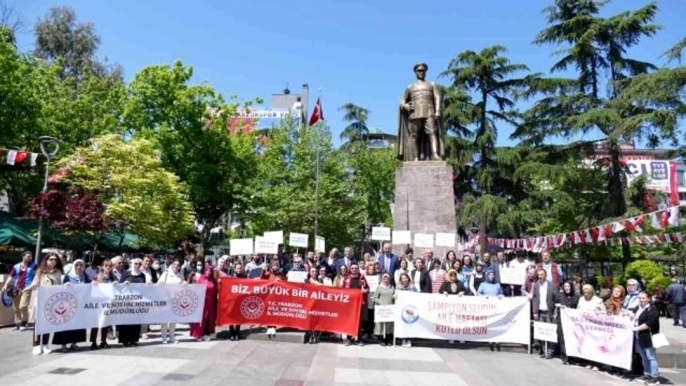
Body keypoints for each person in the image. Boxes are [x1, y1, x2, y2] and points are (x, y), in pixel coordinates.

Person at [397, 62, 443, 161]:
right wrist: (405, 106)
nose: (421, 72)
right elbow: (402, 101)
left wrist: (438, 110)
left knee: (432, 133)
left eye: (423, 71)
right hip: (414, 113)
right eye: (419, 71)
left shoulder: (431, 84)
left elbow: (437, 97)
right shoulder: (410, 87)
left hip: (429, 112)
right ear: (415, 72)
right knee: (414, 136)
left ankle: (435, 154)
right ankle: (416, 157)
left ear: (426, 72)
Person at [23, 253, 63, 355]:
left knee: (48, 323)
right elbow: (34, 284)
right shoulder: (40, 272)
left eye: (55, 260)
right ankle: (36, 345)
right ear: (46, 260)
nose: (53, 261)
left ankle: (45, 345)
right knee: (38, 324)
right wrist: (27, 288)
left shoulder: (58, 272)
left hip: (52, 302)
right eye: (51, 259)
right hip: (41, 300)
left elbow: (59, 286)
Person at [53, 259, 89, 352]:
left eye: (81, 265)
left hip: (80, 305)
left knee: (78, 325)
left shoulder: (85, 276)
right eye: (77, 265)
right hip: (68, 305)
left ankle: (74, 343)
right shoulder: (68, 277)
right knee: (66, 325)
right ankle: (63, 345)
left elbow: (89, 287)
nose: (79, 267)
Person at [630, 292, 661, 385]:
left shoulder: (653, 309)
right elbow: (632, 316)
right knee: (643, 357)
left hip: (648, 337)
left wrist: (636, 328)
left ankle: (655, 377)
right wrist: (630, 315)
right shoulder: (637, 308)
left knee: (651, 357)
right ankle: (647, 374)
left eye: (643, 298)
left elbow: (649, 323)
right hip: (638, 336)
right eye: (639, 298)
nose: (641, 300)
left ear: (649, 299)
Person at [2, 251, 36, 330]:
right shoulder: (16, 266)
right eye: (28, 256)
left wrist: (33, 285)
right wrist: (6, 285)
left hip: (27, 288)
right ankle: (18, 322)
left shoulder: (34, 266)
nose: (30, 258)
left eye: (31, 256)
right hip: (16, 288)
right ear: (23, 257)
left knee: (23, 306)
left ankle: (24, 322)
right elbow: (11, 276)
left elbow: (37, 275)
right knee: (16, 307)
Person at [119, 258, 147, 347]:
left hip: (137, 302)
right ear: (132, 264)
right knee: (125, 322)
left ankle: (133, 340)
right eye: (136, 264)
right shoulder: (126, 274)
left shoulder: (142, 275)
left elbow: (143, 287)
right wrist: (124, 284)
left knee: (135, 322)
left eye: (139, 264)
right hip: (126, 302)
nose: (137, 265)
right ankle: (125, 341)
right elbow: (119, 286)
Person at [90, 259, 115, 350]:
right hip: (98, 303)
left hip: (108, 303)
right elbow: (91, 287)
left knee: (105, 322)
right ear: (102, 266)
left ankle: (103, 341)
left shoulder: (113, 277)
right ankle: (93, 342)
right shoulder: (98, 276)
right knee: (96, 323)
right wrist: (93, 283)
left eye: (110, 266)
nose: (108, 267)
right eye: (106, 265)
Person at [157, 259, 184, 344]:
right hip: (165, 300)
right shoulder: (166, 274)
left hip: (176, 301)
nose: (176, 266)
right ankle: (164, 337)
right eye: (174, 264)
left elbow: (183, 286)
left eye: (178, 265)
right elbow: (158, 284)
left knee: (173, 320)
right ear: (171, 265)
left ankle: (172, 336)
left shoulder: (180, 275)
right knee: (164, 320)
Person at [532, 269, 556, 359]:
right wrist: (535, 312)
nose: (540, 276)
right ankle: (544, 350)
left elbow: (555, 298)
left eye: (542, 275)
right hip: (540, 312)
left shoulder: (552, 286)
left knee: (550, 333)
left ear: (545, 275)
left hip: (549, 312)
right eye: (539, 275)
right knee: (541, 332)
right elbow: (535, 299)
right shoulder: (536, 285)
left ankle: (550, 352)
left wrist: (554, 312)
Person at [343, 263, 369, 346]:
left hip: (359, 304)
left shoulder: (362, 278)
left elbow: (367, 288)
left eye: (355, 268)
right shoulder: (347, 278)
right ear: (350, 269)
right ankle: (348, 338)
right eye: (352, 268)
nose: (354, 269)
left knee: (359, 322)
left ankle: (358, 340)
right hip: (349, 304)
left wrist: (365, 290)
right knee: (349, 321)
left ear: (358, 269)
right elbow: (342, 289)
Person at [554, 281, 579, 365]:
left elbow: (578, 309)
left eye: (568, 286)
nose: (567, 288)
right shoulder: (560, 296)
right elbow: (555, 303)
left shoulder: (576, 297)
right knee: (562, 338)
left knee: (572, 338)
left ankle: (572, 357)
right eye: (565, 286)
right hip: (562, 320)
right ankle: (564, 357)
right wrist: (558, 305)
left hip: (572, 322)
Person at [190, 265, 217, 342]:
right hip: (202, 301)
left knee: (208, 318)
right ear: (204, 271)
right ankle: (198, 334)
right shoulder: (200, 280)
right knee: (200, 319)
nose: (208, 272)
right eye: (207, 271)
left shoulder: (213, 280)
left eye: (210, 271)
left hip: (210, 302)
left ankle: (206, 334)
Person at [226, 262, 246, 341]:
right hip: (232, 300)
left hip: (240, 300)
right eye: (237, 268)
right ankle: (231, 333)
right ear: (234, 269)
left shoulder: (244, 277)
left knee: (238, 318)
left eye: (240, 268)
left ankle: (237, 333)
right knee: (231, 317)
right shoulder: (230, 277)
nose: (238, 270)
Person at [374, 273, 395, 346]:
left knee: (389, 324)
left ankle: (388, 339)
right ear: (382, 279)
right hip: (381, 308)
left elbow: (394, 296)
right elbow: (375, 297)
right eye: (384, 279)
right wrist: (381, 303)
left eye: (387, 279)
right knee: (381, 324)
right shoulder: (379, 287)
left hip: (390, 309)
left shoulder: (392, 287)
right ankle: (381, 339)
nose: (386, 280)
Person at [395, 273, 415, 347]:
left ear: (408, 278)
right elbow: (395, 296)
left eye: (405, 278)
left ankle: (409, 339)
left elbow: (417, 296)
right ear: (401, 280)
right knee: (403, 324)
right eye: (403, 278)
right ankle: (403, 339)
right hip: (402, 309)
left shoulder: (413, 287)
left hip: (410, 308)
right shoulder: (398, 287)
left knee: (410, 324)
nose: (404, 280)